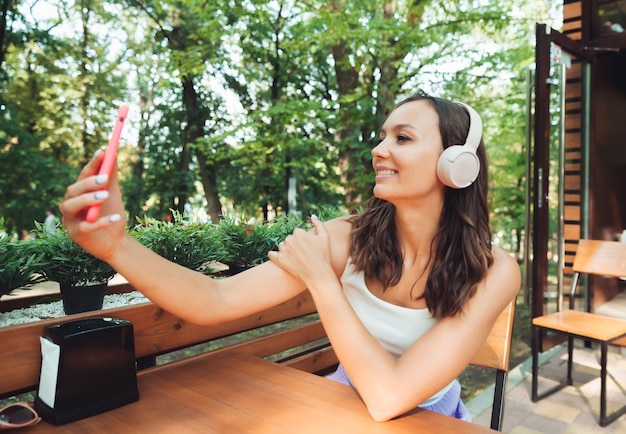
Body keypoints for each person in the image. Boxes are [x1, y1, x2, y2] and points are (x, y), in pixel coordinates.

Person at [60, 90, 520, 423]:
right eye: (382, 137)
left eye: (402, 138)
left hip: (429, 419)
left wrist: (321, 280)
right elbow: (214, 302)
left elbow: (390, 398)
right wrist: (115, 246)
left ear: (456, 164)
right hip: (338, 405)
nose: (378, 150)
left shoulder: (495, 270)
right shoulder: (347, 239)